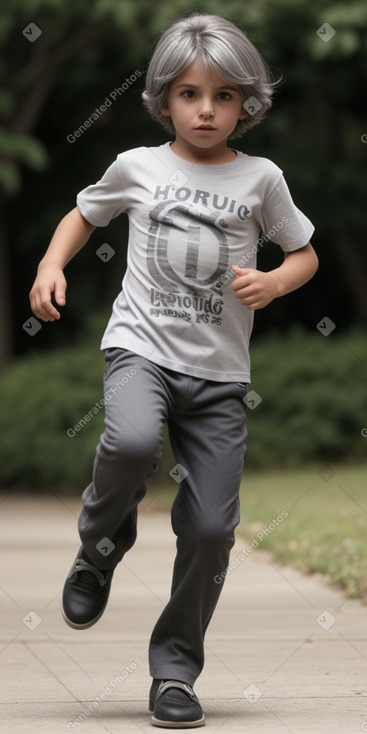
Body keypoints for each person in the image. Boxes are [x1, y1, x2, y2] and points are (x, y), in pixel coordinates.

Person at [29, 12, 318, 729]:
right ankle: (100, 548)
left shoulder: (262, 179)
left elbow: (302, 253)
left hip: (219, 377)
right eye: (189, 94)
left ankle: (174, 672)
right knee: (127, 444)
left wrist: (277, 284)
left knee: (213, 528)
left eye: (224, 96)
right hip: (140, 349)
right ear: (163, 98)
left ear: (246, 103)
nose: (206, 110)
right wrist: (49, 264)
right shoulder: (138, 165)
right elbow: (83, 213)